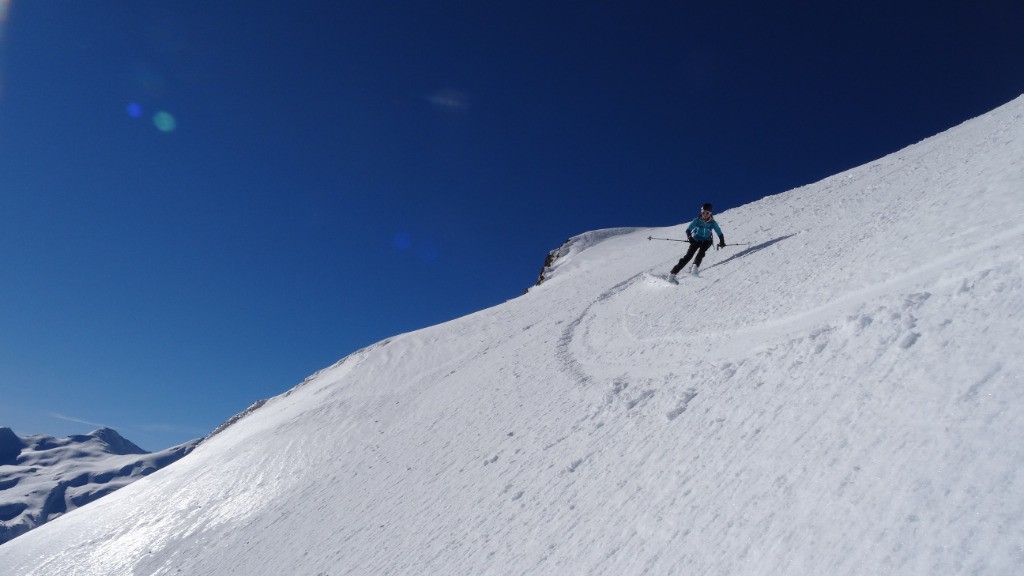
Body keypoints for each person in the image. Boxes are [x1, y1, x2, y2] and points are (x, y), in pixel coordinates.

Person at [668, 203, 725, 282]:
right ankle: (672, 274)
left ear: (710, 213)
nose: (705, 215)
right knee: (688, 256)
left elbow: (719, 232)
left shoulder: (713, 223)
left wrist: (722, 241)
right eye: (703, 212)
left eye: (707, 213)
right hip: (696, 239)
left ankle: (694, 267)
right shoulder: (697, 220)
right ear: (701, 212)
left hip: (707, 240)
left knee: (701, 253)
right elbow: (688, 230)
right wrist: (690, 237)